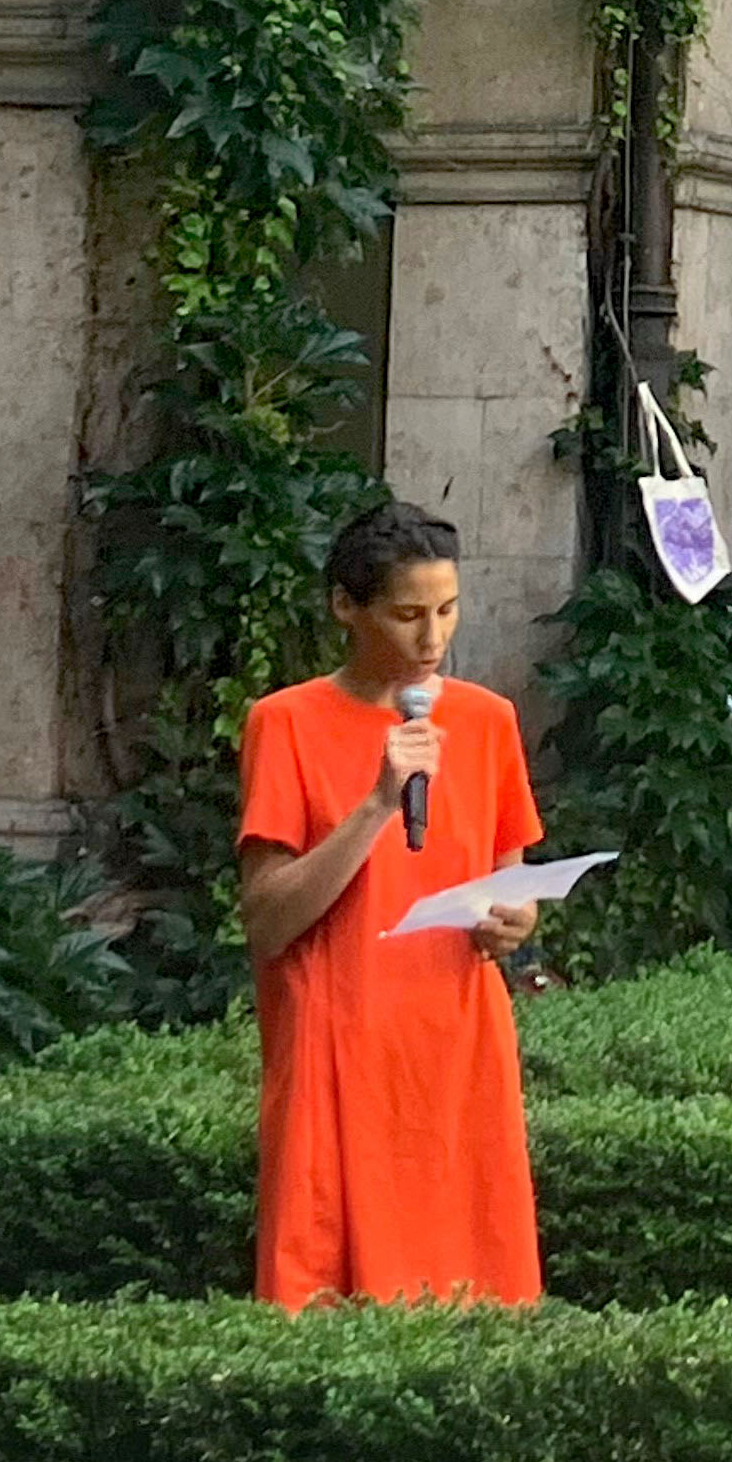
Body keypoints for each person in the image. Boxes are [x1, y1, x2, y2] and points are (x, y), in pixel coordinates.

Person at [236, 499, 543, 1310]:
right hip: (337, 1040)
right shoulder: (286, 724)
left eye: (447, 611)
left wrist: (512, 921)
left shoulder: (486, 721)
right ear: (347, 606)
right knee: (326, 1295)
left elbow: (508, 879)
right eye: (407, 614)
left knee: (475, 1297)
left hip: (455, 1042)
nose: (432, 638)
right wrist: (376, 804)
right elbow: (267, 921)